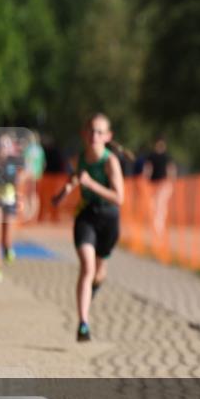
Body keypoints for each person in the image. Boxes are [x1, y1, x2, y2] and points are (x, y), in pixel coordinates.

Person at [52, 114, 125, 342]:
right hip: (86, 216)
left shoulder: (110, 162)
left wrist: (91, 184)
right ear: (84, 134)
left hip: (109, 219)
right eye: (91, 131)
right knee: (87, 267)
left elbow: (119, 197)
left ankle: (91, 294)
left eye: (100, 132)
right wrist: (62, 194)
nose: (95, 135)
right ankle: (83, 323)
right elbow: (75, 179)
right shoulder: (79, 159)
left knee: (99, 272)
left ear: (108, 136)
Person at [0, 133, 27, 282]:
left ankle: (9, 248)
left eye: (6, 145)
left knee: (7, 238)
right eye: (0, 145)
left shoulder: (15, 160)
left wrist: (21, 179)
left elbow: (25, 173)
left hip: (10, 199)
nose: (3, 148)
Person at [143, 135, 177, 235]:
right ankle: (155, 225)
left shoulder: (167, 157)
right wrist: (146, 178)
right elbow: (148, 169)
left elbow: (171, 169)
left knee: (160, 205)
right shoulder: (151, 156)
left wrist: (171, 181)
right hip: (153, 184)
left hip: (164, 184)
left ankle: (159, 227)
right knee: (153, 205)